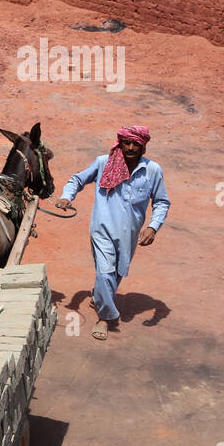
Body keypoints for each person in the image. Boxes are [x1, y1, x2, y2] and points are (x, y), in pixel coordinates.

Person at [55, 126, 170, 340]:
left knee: (117, 272)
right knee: (105, 271)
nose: (130, 147)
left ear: (143, 146)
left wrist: (153, 227)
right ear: (120, 143)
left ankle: (100, 295)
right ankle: (105, 317)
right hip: (102, 229)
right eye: (126, 142)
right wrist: (67, 197)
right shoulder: (103, 163)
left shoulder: (152, 170)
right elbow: (77, 180)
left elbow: (161, 202)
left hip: (130, 234)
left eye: (136, 143)